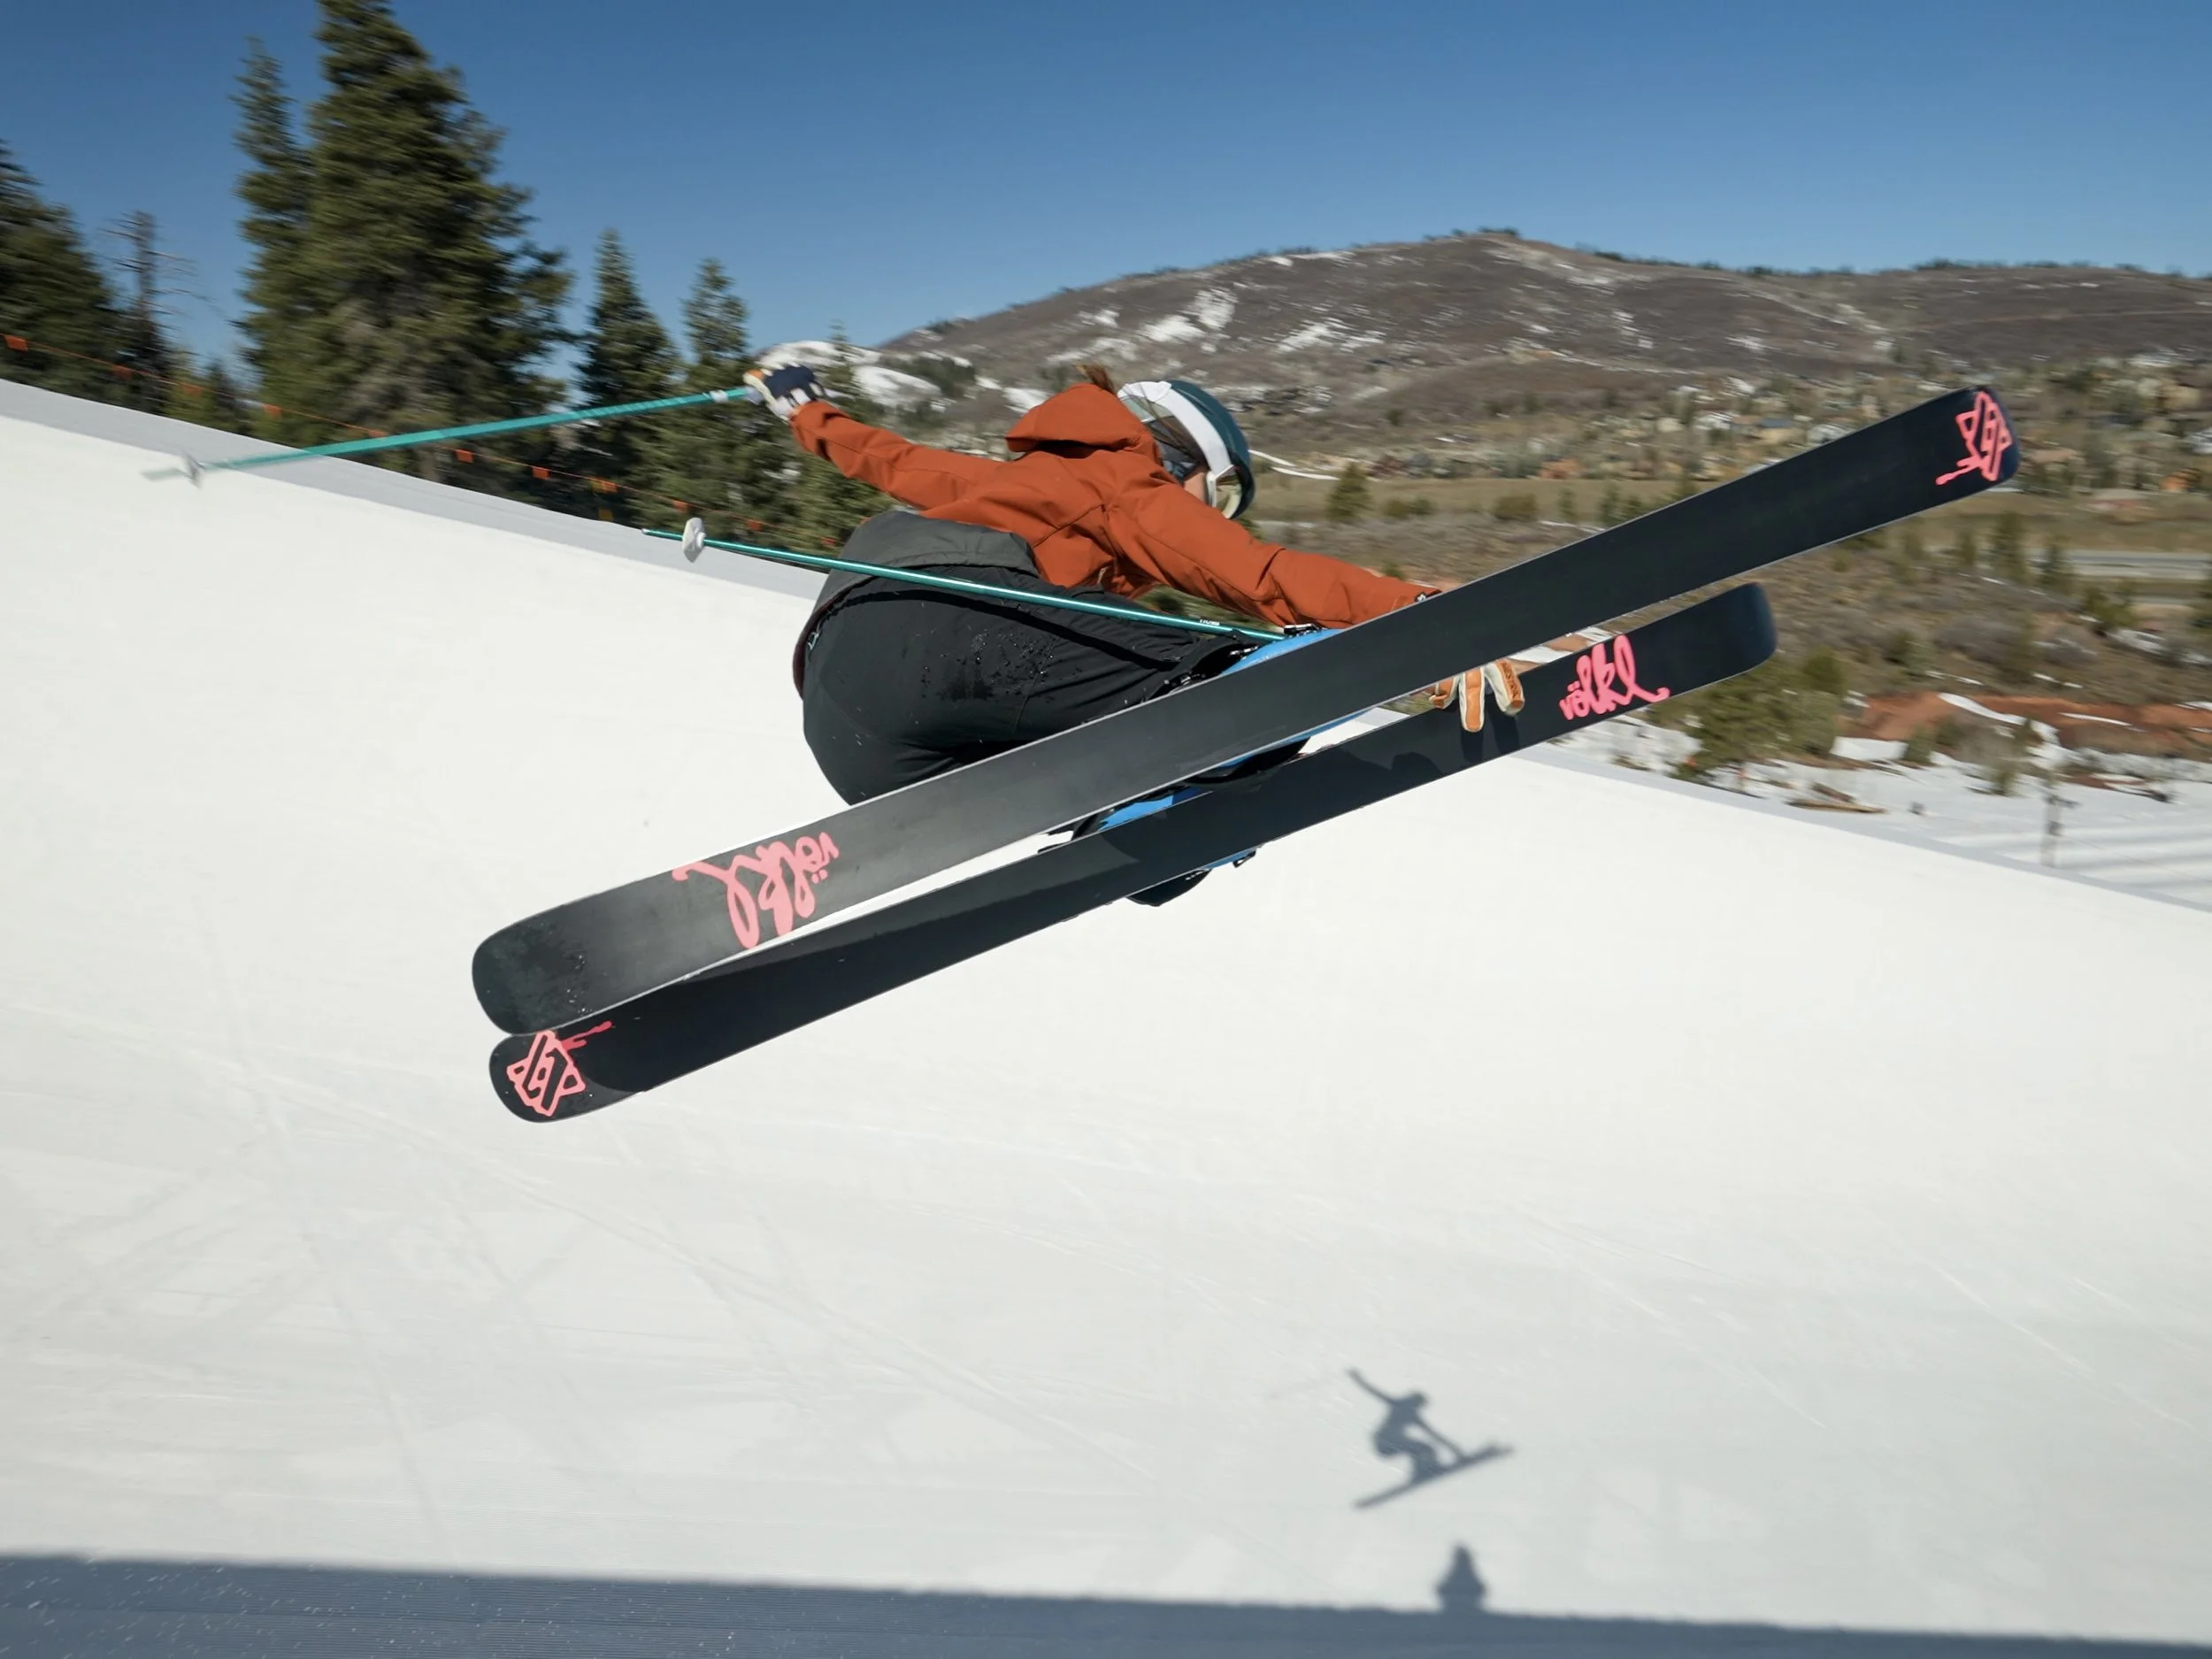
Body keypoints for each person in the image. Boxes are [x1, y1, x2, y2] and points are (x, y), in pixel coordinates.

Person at [747, 358, 1524, 822]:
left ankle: (1138, 805)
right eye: (1218, 496)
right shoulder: (1125, 475)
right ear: (1181, 457)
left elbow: (887, 457)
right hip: (948, 627)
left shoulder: (1005, 481)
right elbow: (1256, 573)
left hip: (850, 718)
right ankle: (1203, 742)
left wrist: (806, 410)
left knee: (1088, 697)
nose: (1212, 516)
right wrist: (1418, 617)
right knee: (1201, 670)